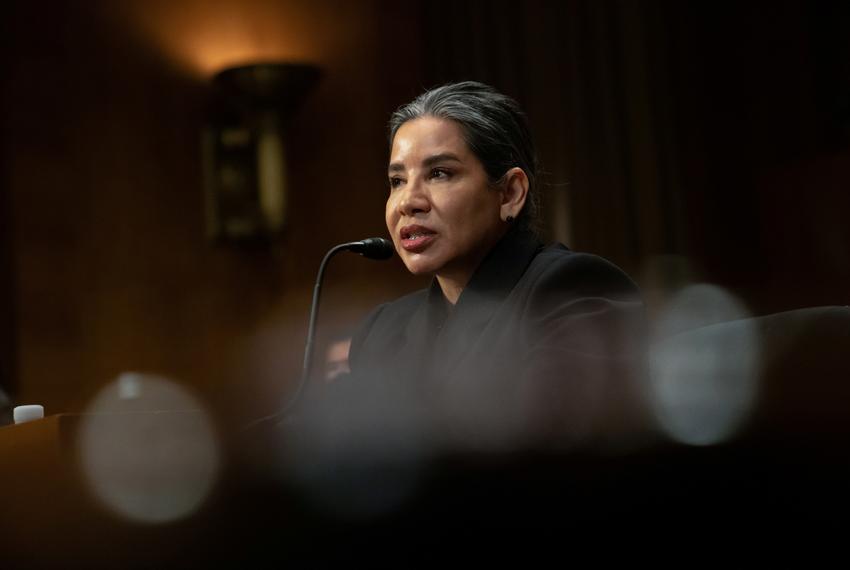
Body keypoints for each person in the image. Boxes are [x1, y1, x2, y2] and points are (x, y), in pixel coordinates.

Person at [346, 81, 647, 452]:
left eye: (439, 173)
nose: (408, 201)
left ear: (510, 193)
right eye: (397, 180)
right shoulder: (381, 331)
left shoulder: (572, 289)